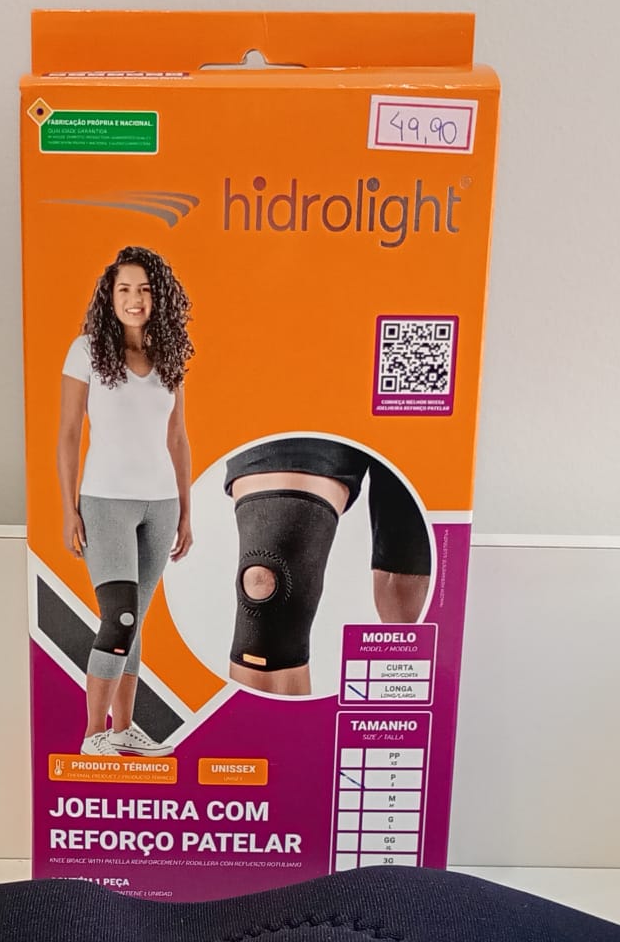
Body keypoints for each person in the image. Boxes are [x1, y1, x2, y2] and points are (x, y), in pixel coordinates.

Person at [58, 246, 194, 755]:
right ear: (110, 296)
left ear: (159, 297)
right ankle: (93, 735)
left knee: (135, 623)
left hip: (160, 504)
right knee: (120, 617)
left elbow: (177, 437)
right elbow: (69, 433)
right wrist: (68, 508)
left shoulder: (169, 356)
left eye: (144, 289)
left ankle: (123, 731)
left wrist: (186, 510)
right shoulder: (87, 350)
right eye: (124, 289)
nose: (134, 299)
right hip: (105, 502)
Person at [225, 436, 431, 697]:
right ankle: (267, 723)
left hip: (425, 417)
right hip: (310, 409)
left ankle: (403, 715)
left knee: (409, 597)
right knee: (267, 582)